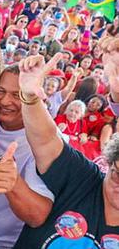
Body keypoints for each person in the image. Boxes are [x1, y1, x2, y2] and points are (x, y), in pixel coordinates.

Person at [13, 50, 119, 248]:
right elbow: (46, 141)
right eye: (118, 174)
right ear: (111, 162)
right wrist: (29, 95)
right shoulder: (83, 178)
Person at [0, 65, 54, 248]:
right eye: (1, 91)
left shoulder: (45, 142)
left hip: (1, 244)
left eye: (17, 95)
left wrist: (13, 183)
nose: (5, 101)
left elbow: (37, 216)